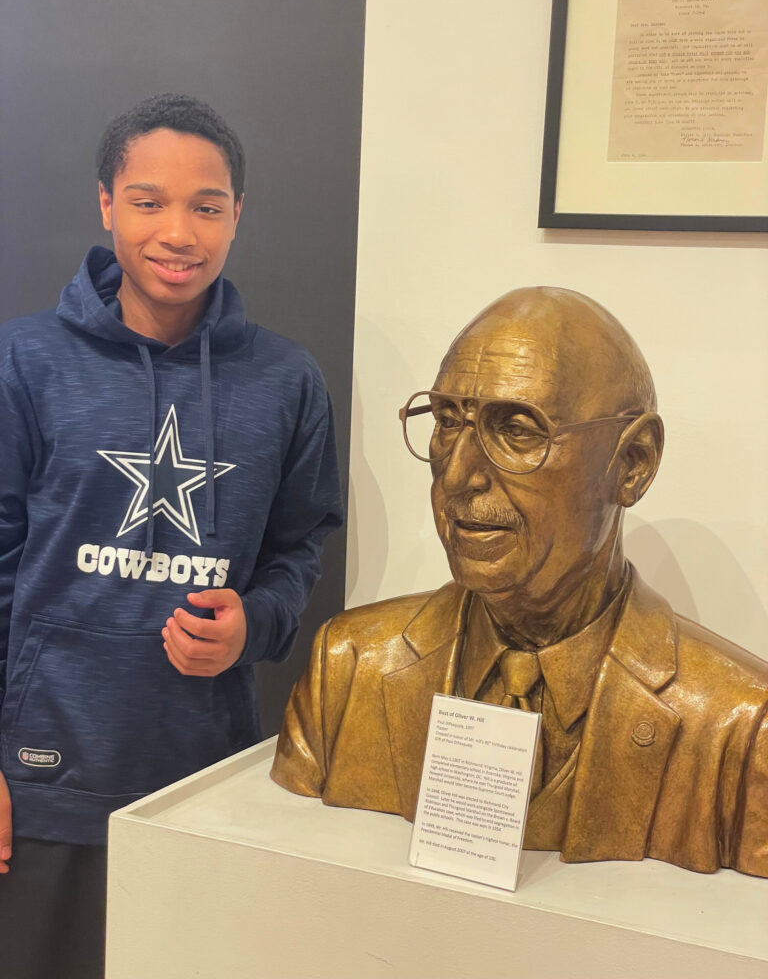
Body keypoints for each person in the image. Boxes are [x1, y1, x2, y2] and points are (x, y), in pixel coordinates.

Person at [0, 93, 343, 977]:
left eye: (207, 205)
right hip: (40, 788)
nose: (178, 231)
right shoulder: (24, 363)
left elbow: (300, 550)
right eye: (149, 202)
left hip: (203, 783)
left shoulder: (286, 381)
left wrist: (253, 628)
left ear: (239, 216)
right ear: (107, 205)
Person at [272, 286, 768, 878]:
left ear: (632, 463)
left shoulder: (742, 728)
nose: (457, 475)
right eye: (448, 422)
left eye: (518, 430)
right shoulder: (348, 669)